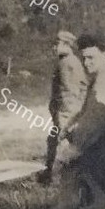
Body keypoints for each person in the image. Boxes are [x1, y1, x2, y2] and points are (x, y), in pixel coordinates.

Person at [44, 33, 105, 209]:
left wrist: (71, 150)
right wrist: (70, 127)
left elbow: (95, 122)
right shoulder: (99, 77)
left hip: (100, 153)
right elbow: (86, 114)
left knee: (98, 206)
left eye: (91, 58)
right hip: (95, 152)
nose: (86, 63)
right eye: (84, 58)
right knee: (92, 206)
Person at [39, 31, 88, 183]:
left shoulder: (68, 63)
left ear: (67, 45)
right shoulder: (68, 61)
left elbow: (69, 91)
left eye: (57, 44)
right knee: (54, 141)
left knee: (62, 144)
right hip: (66, 109)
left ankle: (56, 177)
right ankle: (51, 175)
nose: (54, 47)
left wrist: (63, 114)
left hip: (66, 110)